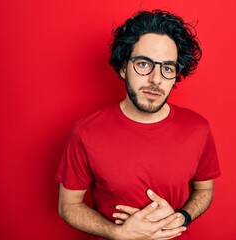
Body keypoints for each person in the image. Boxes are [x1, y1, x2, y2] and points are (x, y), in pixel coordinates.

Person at [56, 9, 220, 240]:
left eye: (167, 68)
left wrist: (181, 217)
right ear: (124, 68)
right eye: (143, 64)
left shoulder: (198, 129)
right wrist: (117, 233)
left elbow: (205, 190)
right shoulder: (86, 131)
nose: (156, 79)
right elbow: (68, 205)